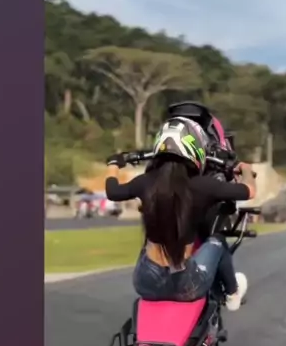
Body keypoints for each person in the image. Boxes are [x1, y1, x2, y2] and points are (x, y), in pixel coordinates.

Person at [105, 116, 256, 311]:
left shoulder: (145, 181)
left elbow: (113, 192)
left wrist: (113, 164)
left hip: (145, 282)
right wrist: (245, 169)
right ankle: (232, 293)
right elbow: (249, 191)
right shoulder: (205, 186)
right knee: (217, 240)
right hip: (185, 286)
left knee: (148, 242)